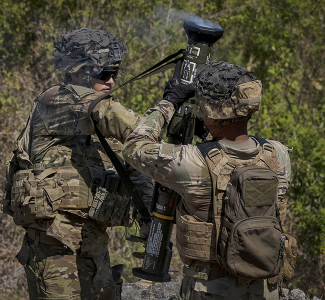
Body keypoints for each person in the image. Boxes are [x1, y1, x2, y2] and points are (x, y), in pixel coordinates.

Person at [2, 28, 153, 300]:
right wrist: (166, 106)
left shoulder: (98, 132)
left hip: (95, 251)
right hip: (55, 255)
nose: (111, 80)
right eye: (103, 73)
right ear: (76, 71)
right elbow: (131, 124)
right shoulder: (56, 100)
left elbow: (138, 171)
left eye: (115, 74)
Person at [122, 61, 291, 300]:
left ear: (210, 109)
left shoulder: (193, 161)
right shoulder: (278, 154)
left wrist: (168, 102)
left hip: (211, 289)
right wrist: (211, 133)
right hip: (265, 288)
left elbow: (133, 147)